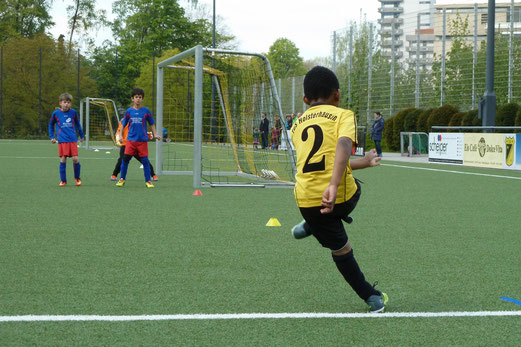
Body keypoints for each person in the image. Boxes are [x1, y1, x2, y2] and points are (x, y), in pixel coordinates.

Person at [289, 66, 388, 313]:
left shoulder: (297, 125)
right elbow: (343, 146)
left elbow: (323, 163)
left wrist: (362, 163)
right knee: (344, 244)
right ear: (337, 95)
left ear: (305, 99)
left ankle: (311, 225)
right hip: (339, 197)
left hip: (305, 202)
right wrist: (333, 186)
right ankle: (371, 296)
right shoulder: (343, 115)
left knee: (338, 246)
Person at [116, 88, 161, 188]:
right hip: (131, 141)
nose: (138, 99)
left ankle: (148, 181)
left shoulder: (146, 111)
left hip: (142, 141)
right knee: (125, 160)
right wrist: (120, 136)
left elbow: (152, 123)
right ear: (132, 98)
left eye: (140, 97)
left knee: (145, 161)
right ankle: (122, 179)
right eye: (136, 97)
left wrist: (155, 134)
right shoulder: (129, 111)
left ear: (142, 99)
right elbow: (123, 124)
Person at [48, 93, 84, 187]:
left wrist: (81, 135)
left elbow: (78, 124)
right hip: (62, 140)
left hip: (72, 139)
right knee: (63, 159)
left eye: (68, 102)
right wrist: (52, 137)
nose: (66, 104)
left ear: (70, 104)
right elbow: (51, 125)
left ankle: (77, 178)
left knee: (75, 159)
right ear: (60, 103)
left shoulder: (73, 112)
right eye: (64, 102)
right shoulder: (56, 113)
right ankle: (63, 180)